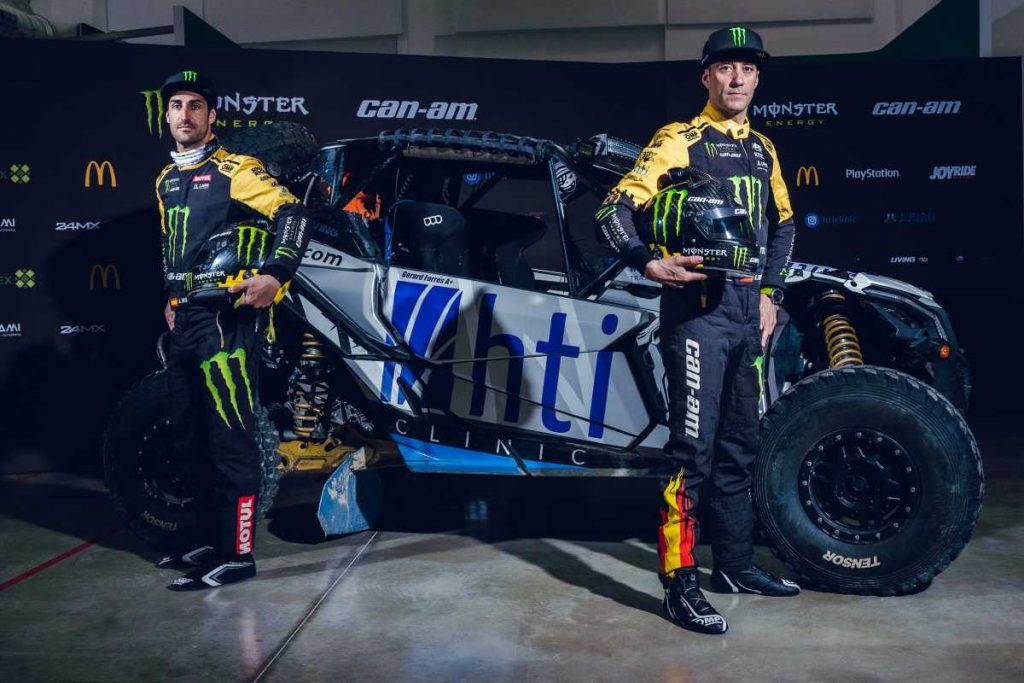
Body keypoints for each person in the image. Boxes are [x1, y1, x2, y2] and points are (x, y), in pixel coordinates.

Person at [596, 27, 799, 634]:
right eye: (725, 67)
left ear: (757, 78)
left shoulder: (763, 148)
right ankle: (678, 583)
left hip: (746, 317)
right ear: (706, 77)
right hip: (697, 318)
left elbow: (784, 224)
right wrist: (646, 263)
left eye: (748, 68)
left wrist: (770, 294)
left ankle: (733, 565)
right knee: (693, 454)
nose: (737, 78)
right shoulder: (678, 140)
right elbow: (612, 209)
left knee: (740, 448)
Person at [153, 70, 312, 591]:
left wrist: (276, 276)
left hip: (226, 320)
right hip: (186, 320)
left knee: (231, 439)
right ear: (167, 115)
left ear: (211, 115)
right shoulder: (165, 178)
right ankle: (207, 540)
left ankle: (238, 555)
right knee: (189, 437)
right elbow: (174, 248)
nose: (185, 114)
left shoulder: (234, 170)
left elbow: (293, 212)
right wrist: (172, 299)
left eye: (195, 106)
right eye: (176, 105)